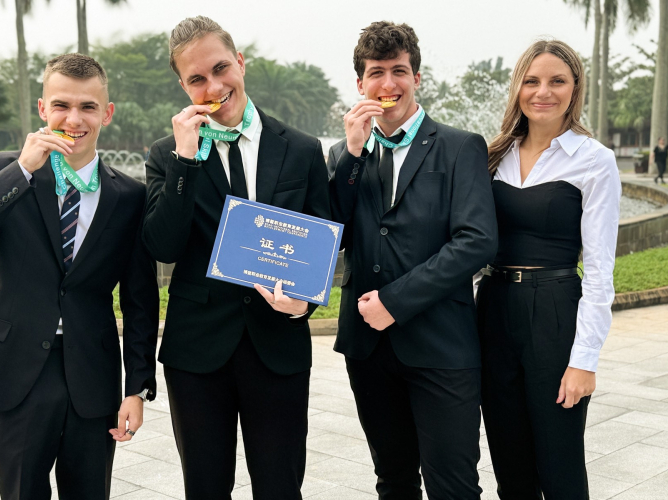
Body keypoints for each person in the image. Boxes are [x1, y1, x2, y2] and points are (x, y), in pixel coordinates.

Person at [0, 53, 159, 500]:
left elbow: (140, 299)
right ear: (42, 108)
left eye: (88, 107)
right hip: (17, 369)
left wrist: (136, 388)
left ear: (106, 113)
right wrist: (22, 169)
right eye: (61, 105)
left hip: (92, 375)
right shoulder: (4, 168)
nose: (73, 119)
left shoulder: (130, 196)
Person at [142, 16, 329, 500]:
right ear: (183, 86)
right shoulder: (167, 155)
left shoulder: (302, 150)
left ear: (240, 62)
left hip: (278, 345)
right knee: (205, 488)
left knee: (281, 488)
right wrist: (186, 160)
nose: (213, 87)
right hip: (197, 352)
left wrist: (305, 304)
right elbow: (163, 247)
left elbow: (323, 245)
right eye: (197, 79)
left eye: (221, 68)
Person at [328, 21, 497, 499]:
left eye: (399, 71)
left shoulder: (460, 146)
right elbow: (330, 234)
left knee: (454, 486)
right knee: (393, 481)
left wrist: (395, 302)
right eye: (376, 73)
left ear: (417, 78)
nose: (388, 84)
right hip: (368, 349)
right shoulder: (343, 154)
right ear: (360, 83)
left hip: (442, 345)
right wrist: (353, 154)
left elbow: (477, 240)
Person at [478, 40, 620, 499]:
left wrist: (584, 360)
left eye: (557, 81)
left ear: (575, 88)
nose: (543, 92)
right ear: (517, 88)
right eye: (532, 81)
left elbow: (599, 269)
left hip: (555, 313)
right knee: (509, 465)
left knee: (560, 464)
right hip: (493, 310)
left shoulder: (594, 159)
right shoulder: (491, 156)